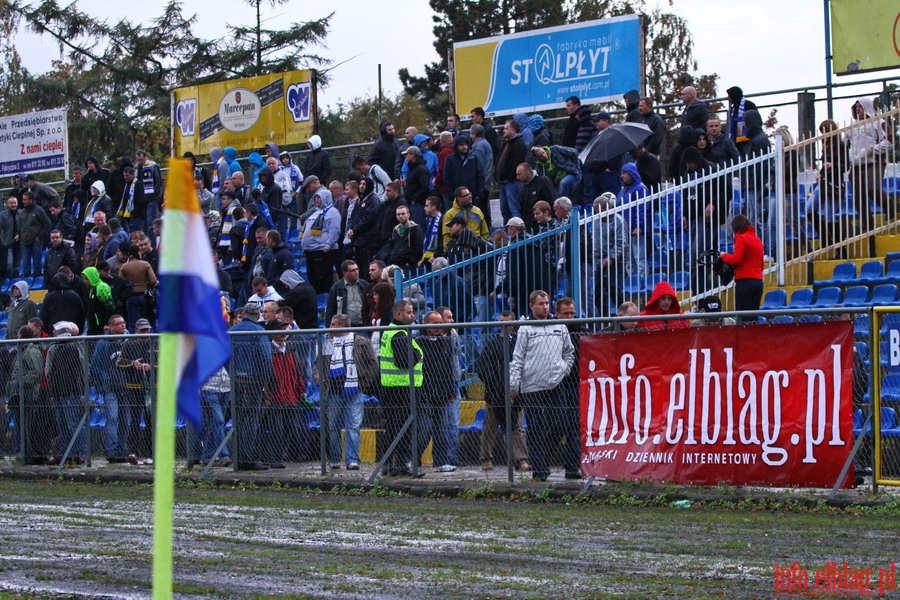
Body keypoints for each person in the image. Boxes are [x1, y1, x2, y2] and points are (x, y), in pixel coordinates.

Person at [509, 290, 575, 482]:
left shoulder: (559, 325)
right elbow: (518, 358)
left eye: (546, 303)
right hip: (532, 385)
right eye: (540, 303)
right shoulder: (525, 328)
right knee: (536, 427)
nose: (544, 307)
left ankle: (542, 457)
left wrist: (564, 369)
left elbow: (569, 352)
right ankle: (540, 469)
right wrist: (514, 384)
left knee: (561, 422)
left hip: (555, 382)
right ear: (531, 306)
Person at [474, 310, 530, 471]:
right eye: (500, 321)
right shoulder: (492, 343)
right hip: (495, 393)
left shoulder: (519, 342)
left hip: (516, 393)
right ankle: (486, 458)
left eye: (506, 322)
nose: (502, 325)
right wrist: (493, 386)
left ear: (513, 323)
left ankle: (521, 459)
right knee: (490, 426)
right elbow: (482, 366)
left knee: (517, 427)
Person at [320, 313, 377, 470]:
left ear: (343, 326)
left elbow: (373, 364)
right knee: (333, 426)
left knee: (353, 426)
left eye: (333, 324)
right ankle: (335, 458)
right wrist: (321, 379)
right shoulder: (328, 342)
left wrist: (362, 384)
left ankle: (352, 459)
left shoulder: (361, 342)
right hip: (333, 390)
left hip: (354, 390)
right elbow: (320, 363)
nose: (330, 327)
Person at [378, 300, 423, 476]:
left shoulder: (394, 331)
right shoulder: (399, 334)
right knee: (403, 428)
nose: (413, 316)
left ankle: (388, 464)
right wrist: (418, 354)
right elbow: (405, 361)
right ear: (399, 315)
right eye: (410, 313)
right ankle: (402, 464)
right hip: (401, 388)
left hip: (394, 386)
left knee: (394, 428)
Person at [231, 303, 274, 470]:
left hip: (236, 380)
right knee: (250, 420)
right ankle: (247, 458)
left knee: (239, 419)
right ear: (258, 315)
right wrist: (264, 381)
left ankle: (238, 456)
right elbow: (266, 358)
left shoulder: (233, 331)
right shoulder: (259, 331)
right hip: (253, 381)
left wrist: (231, 373)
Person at [413, 311, 457, 473]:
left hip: (442, 394)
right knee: (423, 431)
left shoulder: (445, 342)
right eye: (435, 324)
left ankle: (440, 462)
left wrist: (451, 389)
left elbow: (449, 368)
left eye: (440, 324)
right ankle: (414, 460)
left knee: (442, 431)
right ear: (425, 324)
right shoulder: (418, 342)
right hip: (424, 394)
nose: (439, 327)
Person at [262, 318, 309, 469]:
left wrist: (300, 389)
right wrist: (267, 395)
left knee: (289, 428)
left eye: (285, 329)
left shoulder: (291, 349)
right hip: (276, 397)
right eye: (280, 329)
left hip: (292, 396)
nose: (283, 333)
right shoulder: (268, 351)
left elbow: (299, 371)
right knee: (277, 429)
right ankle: (274, 458)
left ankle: (279, 456)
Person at [45, 321, 86, 465]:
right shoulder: (73, 347)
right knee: (64, 424)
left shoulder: (61, 348)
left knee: (71, 423)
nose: (53, 334)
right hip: (60, 391)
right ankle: (66, 453)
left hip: (69, 391)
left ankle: (77, 453)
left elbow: (48, 370)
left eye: (55, 331)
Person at [90, 314, 129, 462]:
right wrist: (107, 378)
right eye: (119, 323)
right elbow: (95, 366)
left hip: (126, 387)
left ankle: (122, 449)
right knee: (112, 418)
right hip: (110, 388)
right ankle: (111, 451)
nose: (123, 325)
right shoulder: (103, 343)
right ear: (111, 327)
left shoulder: (128, 340)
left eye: (123, 322)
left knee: (125, 419)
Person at [846, 96, 891, 221]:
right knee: (859, 200)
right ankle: (868, 230)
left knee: (872, 189)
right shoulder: (851, 126)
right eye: (856, 107)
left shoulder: (878, 122)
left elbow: (890, 141)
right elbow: (844, 144)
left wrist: (872, 150)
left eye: (860, 106)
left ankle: (890, 205)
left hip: (873, 163)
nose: (858, 109)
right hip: (855, 166)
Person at [7, 324, 45, 464]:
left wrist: (18, 382)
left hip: (28, 394)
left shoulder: (31, 351)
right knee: (20, 425)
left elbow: (36, 373)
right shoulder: (21, 350)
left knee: (27, 426)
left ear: (21, 336)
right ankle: (23, 453)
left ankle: (29, 456)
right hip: (18, 394)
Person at [720, 214, 764, 322]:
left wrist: (724, 255)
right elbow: (762, 264)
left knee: (743, 317)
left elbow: (736, 259)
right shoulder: (757, 239)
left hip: (745, 281)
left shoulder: (741, 238)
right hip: (758, 281)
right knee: (754, 317)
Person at [592, 193, 627, 318]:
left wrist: (611, 257)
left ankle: (624, 315)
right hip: (598, 261)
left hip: (615, 262)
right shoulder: (596, 220)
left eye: (599, 211)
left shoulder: (618, 221)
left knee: (613, 289)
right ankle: (603, 318)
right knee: (598, 292)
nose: (597, 214)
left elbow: (621, 242)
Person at [495, 119, 527, 225]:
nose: (503, 130)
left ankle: (519, 232)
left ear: (513, 130)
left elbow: (518, 162)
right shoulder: (506, 143)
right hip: (503, 182)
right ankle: (508, 233)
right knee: (505, 210)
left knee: (514, 210)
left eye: (506, 128)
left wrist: (510, 176)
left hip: (512, 182)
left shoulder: (519, 144)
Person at [375, 204, 423, 271]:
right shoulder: (395, 230)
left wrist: (410, 262)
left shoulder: (416, 229)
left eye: (403, 214)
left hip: (409, 265)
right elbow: (393, 246)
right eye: (398, 214)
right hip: (396, 264)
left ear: (408, 215)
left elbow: (418, 248)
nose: (401, 216)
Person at [324, 260, 369, 328]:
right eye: (352, 270)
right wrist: (329, 329)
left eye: (357, 269)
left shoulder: (364, 285)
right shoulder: (336, 288)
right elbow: (330, 310)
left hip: (364, 326)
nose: (356, 272)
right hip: (345, 328)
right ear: (344, 273)